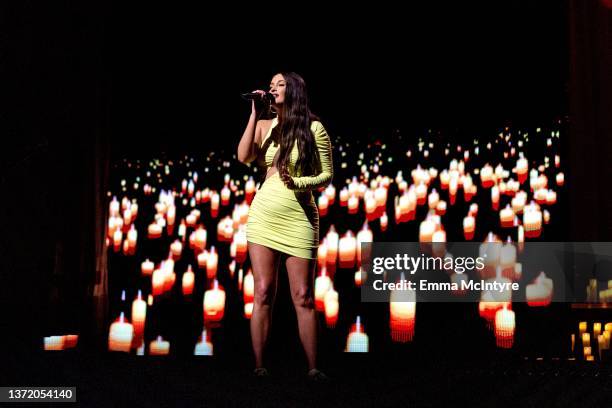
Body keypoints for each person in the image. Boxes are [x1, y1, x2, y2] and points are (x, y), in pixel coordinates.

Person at [237, 72, 333, 382]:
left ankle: (313, 368)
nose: (272, 88)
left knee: (303, 295)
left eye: (279, 84)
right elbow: (244, 157)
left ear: (293, 91)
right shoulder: (265, 126)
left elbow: (327, 175)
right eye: (271, 84)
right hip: (264, 215)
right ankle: (259, 366)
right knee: (263, 292)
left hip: (299, 217)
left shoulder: (313, 128)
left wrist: (300, 183)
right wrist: (255, 113)